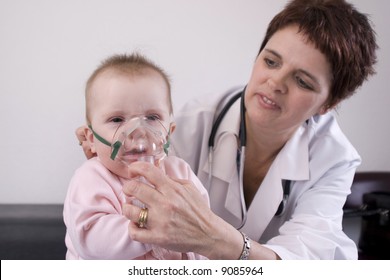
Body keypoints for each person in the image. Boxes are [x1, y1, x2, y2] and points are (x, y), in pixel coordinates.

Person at [77, 0, 378, 260]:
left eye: (302, 81)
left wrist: (220, 241)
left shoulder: (334, 157)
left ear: (329, 103)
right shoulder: (194, 124)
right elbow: (126, 207)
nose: (275, 83)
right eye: (271, 61)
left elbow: (307, 255)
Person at [65, 53, 209, 260]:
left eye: (152, 117)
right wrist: (162, 228)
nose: (138, 131)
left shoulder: (180, 173)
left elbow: (201, 228)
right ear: (91, 139)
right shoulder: (92, 178)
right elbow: (91, 239)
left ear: (170, 131)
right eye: (117, 119)